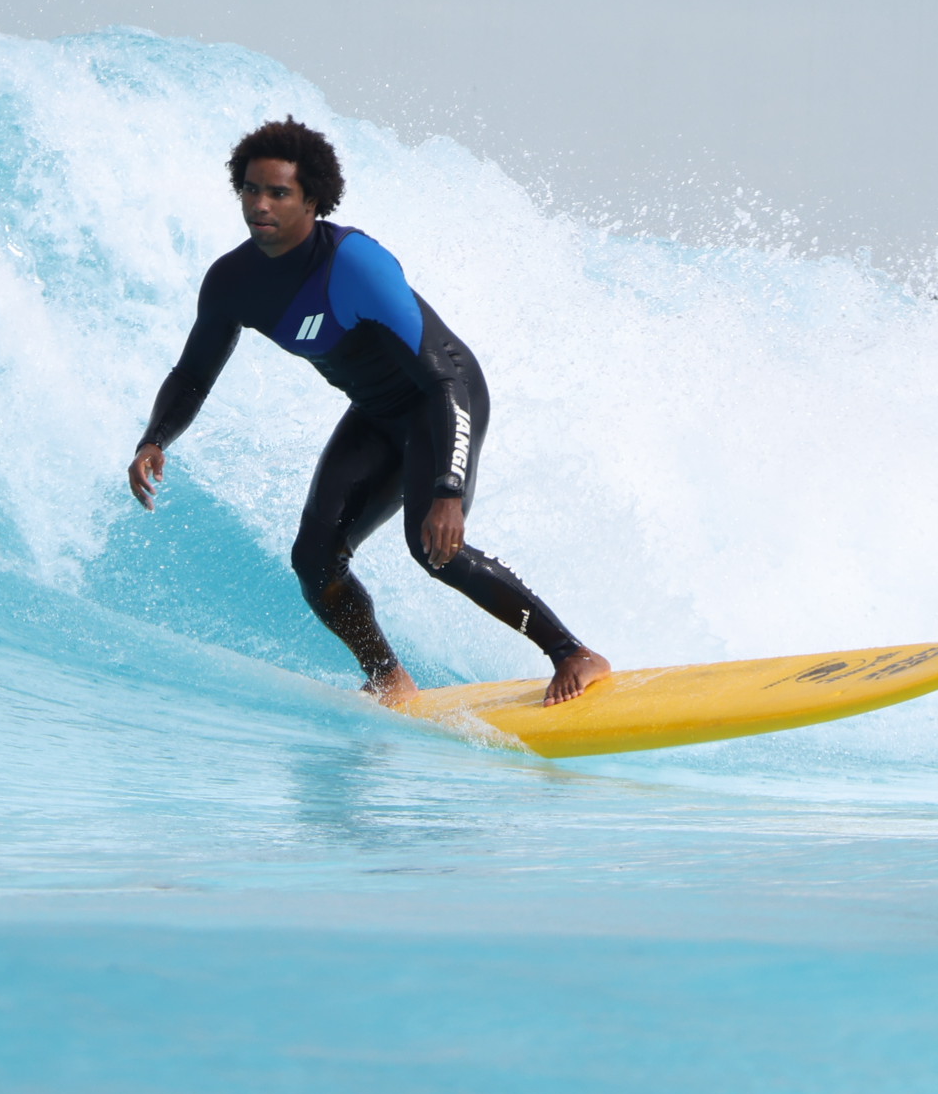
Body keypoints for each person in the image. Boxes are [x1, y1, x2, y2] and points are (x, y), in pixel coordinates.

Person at [127, 118, 613, 705]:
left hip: (443, 398)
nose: (260, 204)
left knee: (435, 548)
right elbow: (192, 374)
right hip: (378, 411)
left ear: (312, 199)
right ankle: (388, 675)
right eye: (251, 189)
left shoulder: (354, 264)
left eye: (278, 192)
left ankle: (573, 653)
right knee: (314, 560)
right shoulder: (233, 281)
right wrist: (155, 439)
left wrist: (447, 491)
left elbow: (441, 378)